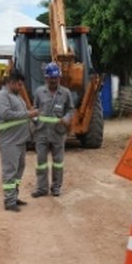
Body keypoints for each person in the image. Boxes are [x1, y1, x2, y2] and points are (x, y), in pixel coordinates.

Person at [0, 70, 39, 212]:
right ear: (11, 82)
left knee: (19, 170)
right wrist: (29, 114)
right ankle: (9, 201)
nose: (21, 87)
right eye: (19, 85)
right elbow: (6, 114)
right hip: (9, 142)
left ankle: (14, 196)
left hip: (20, 141)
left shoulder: (16, 96)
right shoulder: (2, 96)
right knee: (10, 171)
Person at [31, 62, 75, 198]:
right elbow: (35, 109)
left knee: (58, 162)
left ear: (59, 77)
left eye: (56, 77)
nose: (54, 80)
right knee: (41, 162)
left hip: (58, 132)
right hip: (42, 133)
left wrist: (67, 119)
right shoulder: (39, 92)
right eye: (51, 78)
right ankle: (42, 188)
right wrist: (34, 120)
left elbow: (71, 109)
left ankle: (56, 187)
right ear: (46, 78)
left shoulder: (65, 93)